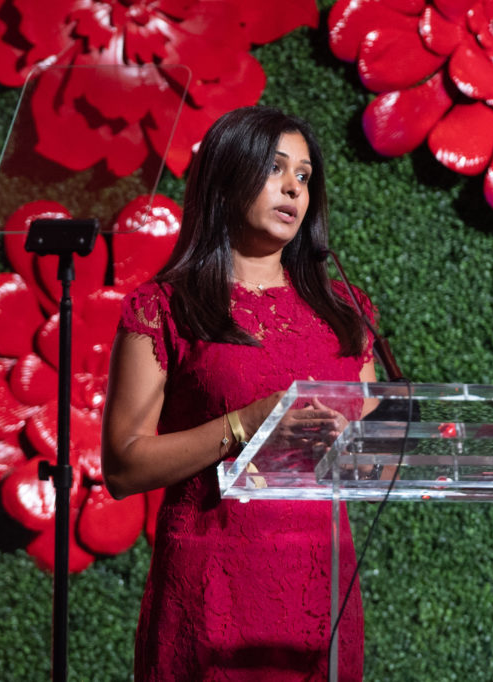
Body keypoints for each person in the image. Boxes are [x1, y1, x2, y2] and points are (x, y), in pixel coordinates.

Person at [101, 105, 377, 681]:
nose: (293, 189)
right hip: (212, 587)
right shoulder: (164, 307)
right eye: (275, 169)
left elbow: (367, 455)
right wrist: (243, 424)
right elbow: (124, 466)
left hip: (320, 589)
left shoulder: (346, 316)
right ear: (227, 179)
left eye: (303, 176)